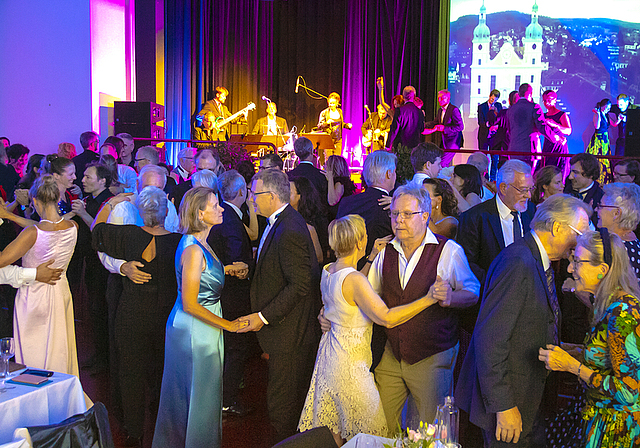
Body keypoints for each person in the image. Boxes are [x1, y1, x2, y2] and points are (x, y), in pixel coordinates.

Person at [456, 194, 590, 447]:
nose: (580, 242)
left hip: (528, 394)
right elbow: (491, 338)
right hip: (509, 400)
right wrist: (504, 406)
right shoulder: (518, 261)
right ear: (558, 227)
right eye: (579, 233)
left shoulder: (535, 259)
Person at [298, 214, 439, 445]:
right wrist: (428, 299)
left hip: (329, 359)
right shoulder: (354, 280)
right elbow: (387, 318)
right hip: (350, 367)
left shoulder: (329, 270)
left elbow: (349, 292)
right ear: (360, 242)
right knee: (373, 433)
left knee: (335, 430)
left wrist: (371, 258)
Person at [367, 185, 480, 430]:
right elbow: (369, 295)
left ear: (426, 216)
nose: (399, 220)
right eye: (395, 214)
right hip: (391, 354)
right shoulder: (385, 251)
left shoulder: (448, 251)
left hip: (432, 356)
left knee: (431, 430)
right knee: (381, 425)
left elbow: (472, 292)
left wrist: (450, 297)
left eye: (407, 214)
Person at [153, 187, 248, 448]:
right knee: (199, 395)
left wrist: (226, 270)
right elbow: (191, 303)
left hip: (202, 325)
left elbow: (201, 276)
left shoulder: (201, 242)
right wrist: (229, 325)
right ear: (200, 213)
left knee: (199, 394)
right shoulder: (194, 249)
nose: (221, 209)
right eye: (215, 205)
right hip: (194, 329)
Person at [92, 186, 182, 446]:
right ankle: (161, 423)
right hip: (167, 314)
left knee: (130, 372)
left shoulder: (128, 235)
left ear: (141, 212)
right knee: (163, 371)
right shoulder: (178, 241)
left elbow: (96, 231)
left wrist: (110, 204)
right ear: (167, 212)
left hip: (132, 312)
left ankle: (133, 428)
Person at [238, 168, 321, 443]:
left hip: (289, 335)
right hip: (285, 333)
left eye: (255, 194)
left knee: (282, 406)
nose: (251, 199)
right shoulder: (281, 222)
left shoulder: (289, 229)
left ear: (271, 196)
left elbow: (300, 285)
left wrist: (263, 316)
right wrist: (250, 268)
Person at [538, 229, 640, 448]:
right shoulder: (608, 303)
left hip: (613, 431)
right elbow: (608, 358)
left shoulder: (622, 314)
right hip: (596, 418)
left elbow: (628, 391)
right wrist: (570, 350)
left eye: (577, 262)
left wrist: (572, 366)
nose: (569, 269)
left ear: (602, 270)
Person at [0, 175, 79, 375]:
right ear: (58, 199)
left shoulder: (31, 233)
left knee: (34, 355)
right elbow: (45, 226)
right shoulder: (73, 228)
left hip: (33, 297)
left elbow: (2, 260)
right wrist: (10, 216)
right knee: (60, 349)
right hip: (60, 293)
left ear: (34, 201)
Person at [208, 170, 256, 417]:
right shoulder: (232, 221)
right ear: (241, 193)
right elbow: (238, 265)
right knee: (236, 348)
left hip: (219, 294)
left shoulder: (224, 216)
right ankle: (227, 400)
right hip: (233, 296)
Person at [457, 160, 537, 288]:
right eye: (523, 190)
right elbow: (466, 264)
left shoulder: (532, 211)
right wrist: (498, 285)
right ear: (504, 188)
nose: (528, 195)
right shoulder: (475, 218)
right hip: (491, 294)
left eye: (530, 189)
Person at [596, 182, 640, 280]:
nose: (596, 209)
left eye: (600, 206)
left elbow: (608, 291)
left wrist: (575, 289)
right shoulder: (631, 242)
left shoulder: (617, 251)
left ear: (616, 213)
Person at [507, 83, 549, 165]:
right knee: (528, 176)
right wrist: (556, 138)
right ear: (531, 93)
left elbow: (509, 130)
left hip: (513, 149)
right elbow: (542, 127)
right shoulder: (534, 107)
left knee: (516, 176)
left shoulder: (511, 109)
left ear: (519, 94)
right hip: (530, 149)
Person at [290, 176, 328, 265]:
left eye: (289, 192)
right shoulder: (288, 217)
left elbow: (319, 258)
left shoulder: (310, 226)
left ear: (301, 196)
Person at [287, 137, 329, 211]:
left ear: (296, 152)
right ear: (310, 151)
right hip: (316, 217)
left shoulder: (289, 176)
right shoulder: (320, 176)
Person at [424, 90, 464, 167]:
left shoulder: (454, 110)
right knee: (440, 163)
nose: (439, 100)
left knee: (442, 164)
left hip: (453, 142)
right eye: (439, 98)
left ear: (448, 99)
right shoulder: (440, 110)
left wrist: (444, 129)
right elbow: (435, 122)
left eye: (442, 98)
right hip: (444, 142)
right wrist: (423, 124)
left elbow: (460, 127)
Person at [564, 153, 603, 225]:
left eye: (575, 172)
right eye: (571, 171)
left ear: (590, 175)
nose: (570, 177)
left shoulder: (601, 198)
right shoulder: (565, 190)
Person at [488, 91, 519, 180]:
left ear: (509, 100)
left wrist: (491, 112)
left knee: (502, 167)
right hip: (516, 145)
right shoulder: (522, 114)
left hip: (504, 144)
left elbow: (493, 122)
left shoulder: (505, 112)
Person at [386, 84, 425, 153]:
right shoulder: (420, 112)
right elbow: (421, 129)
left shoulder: (399, 110)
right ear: (414, 96)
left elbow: (394, 129)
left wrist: (388, 145)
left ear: (403, 96)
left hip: (401, 147)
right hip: (415, 148)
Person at [541, 90, 572, 177]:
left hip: (559, 147)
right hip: (547, 147)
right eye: (544, 100)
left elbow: (568, 131)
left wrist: (556, 125)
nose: (547, 102)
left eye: (549, 99)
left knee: (559, 173)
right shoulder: (543, 116)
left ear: (555, 100)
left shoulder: (562, 114)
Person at [317, 92, 352, 162]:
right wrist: (327, 123)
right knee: (329, 160)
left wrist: (347, 125)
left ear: (337, 103)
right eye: (330, 103)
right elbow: (319, 126)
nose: (331, 105)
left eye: (333, 103)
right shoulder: (324, 113)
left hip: (338, 139)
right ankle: (328, 173)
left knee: (337, 159)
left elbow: (340, 123)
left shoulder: (339, 111)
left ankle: (336, 173)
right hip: (328, 139)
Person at [587, 99, 614, 184]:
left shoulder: (607, 115)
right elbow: (597, 126)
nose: (609, 109)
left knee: (606, 159)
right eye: (608, 107)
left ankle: (605, 179)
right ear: (604, 106)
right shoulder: (597, 114)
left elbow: (613, 124)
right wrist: (598, 113)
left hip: (605, 140)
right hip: (599, 140)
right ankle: (599, 179)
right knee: (599, 159)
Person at [325, 154, 356, 219]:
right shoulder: (340, 182)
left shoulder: (339, 183)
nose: (324, 166)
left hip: (337, 219)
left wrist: (330, 179)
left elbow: (332, 201)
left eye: (327, 164)